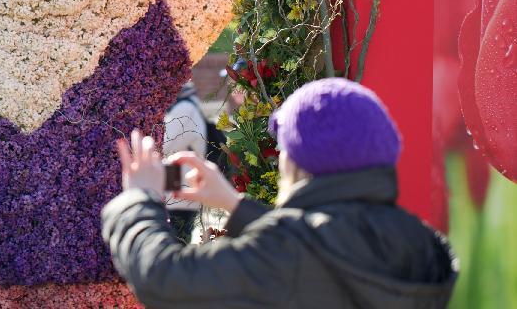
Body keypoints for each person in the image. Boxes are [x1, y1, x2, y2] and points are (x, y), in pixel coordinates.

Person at [102, 78, 458, 308]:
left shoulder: (289, 256)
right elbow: (320, 254)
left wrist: (138, 199)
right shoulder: (420, 243)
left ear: (300, 161)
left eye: (284, 149)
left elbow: (164, 279)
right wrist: (235, 206)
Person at [163, 81, 207, 243]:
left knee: (175, 245)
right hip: (179, 190)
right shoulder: (188, 106)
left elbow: (164, 143)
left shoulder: (184, 108)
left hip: (179, 193)